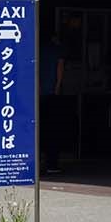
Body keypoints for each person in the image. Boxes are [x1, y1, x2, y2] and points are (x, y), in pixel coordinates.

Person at [40, 33, 65, 174]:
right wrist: (57, 87)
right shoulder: (56, 50)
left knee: (38, 128)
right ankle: (52, 164)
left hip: (37, 94)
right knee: (53, 130)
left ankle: (37, 161)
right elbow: (60, 68)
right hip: (51, 94)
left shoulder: (34, 49)